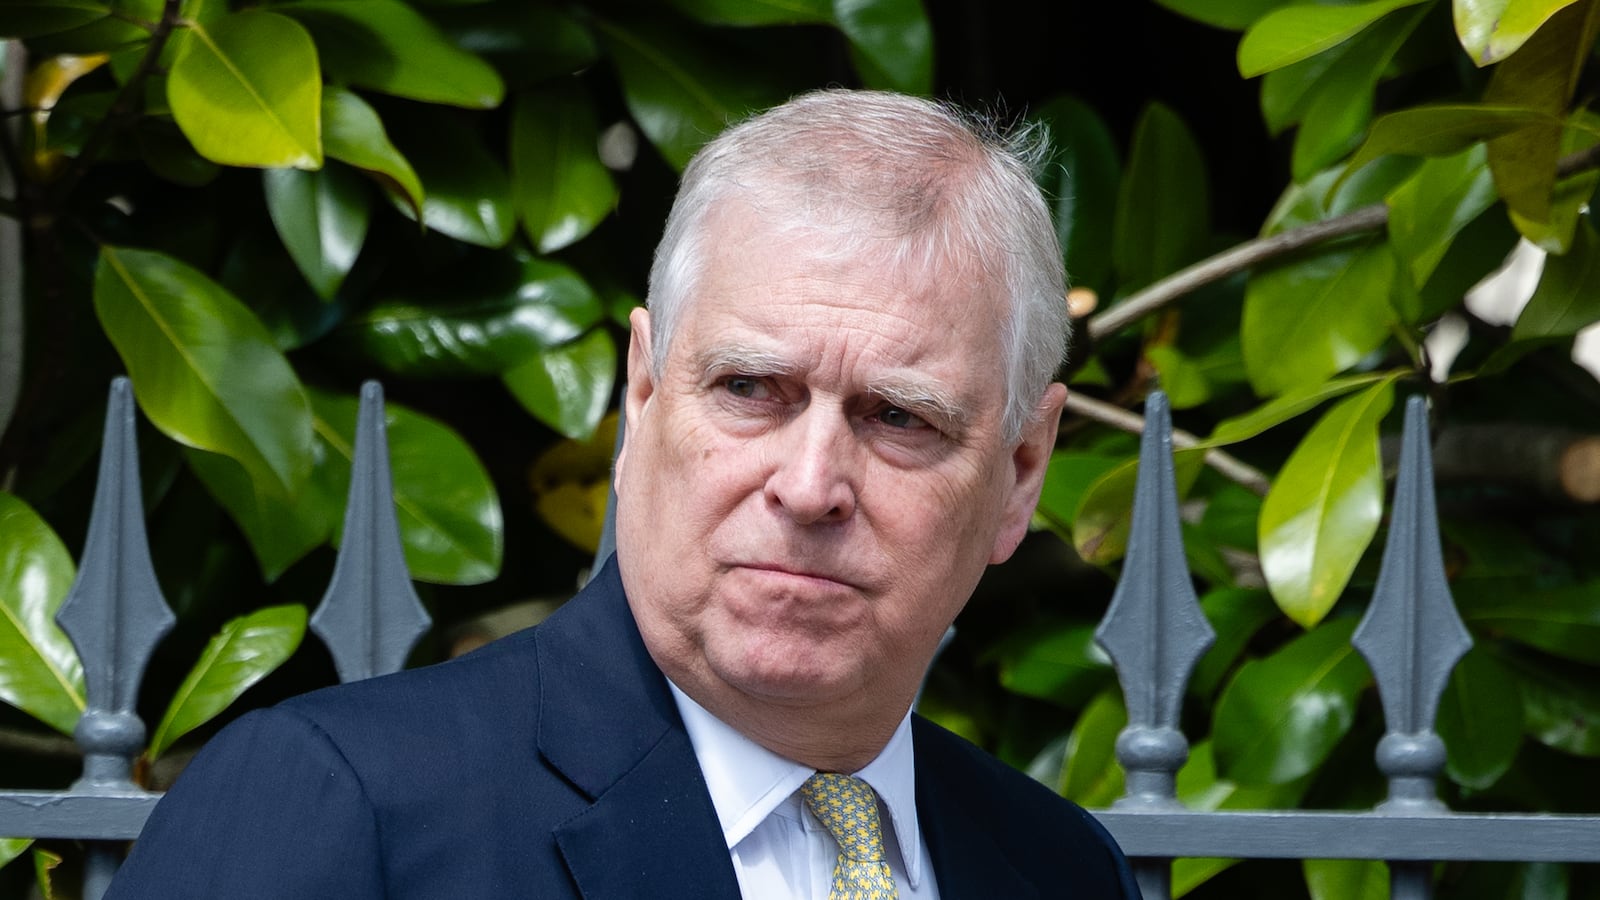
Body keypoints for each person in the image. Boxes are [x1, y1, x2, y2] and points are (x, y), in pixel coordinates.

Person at [107, 89, 1141, 899]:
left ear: (1018, 473)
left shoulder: (1058, 872)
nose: (810, 484)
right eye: (749, 389)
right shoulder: (340, 805)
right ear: (642, 395)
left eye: (899, 418)